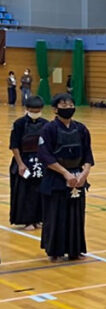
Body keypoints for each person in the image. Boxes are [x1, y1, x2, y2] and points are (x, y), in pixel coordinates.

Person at [37, 94, 93, 261]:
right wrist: (65, 173)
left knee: (76, 214)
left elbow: (88, 154)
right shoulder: (48, 129)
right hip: (56, 178)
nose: (68, 107)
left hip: (77, 177)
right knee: (56, 214)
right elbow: (45, 156)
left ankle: (75, 250)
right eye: (63, 104)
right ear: (55, 109)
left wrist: (84, 173)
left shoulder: (81, 129)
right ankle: (55, 250)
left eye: (70, 104)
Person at [9, 95, 46, 229]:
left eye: (37, 111)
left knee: (40, 191)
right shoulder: (19, 124)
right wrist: (20, 164)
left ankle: (38, 218)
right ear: (27, 109)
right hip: (24, 160)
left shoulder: (46, 124)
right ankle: (27, 220)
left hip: (40, 161)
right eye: (32, 110)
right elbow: (14, 145)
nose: (35, 113)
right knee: (25, 192)